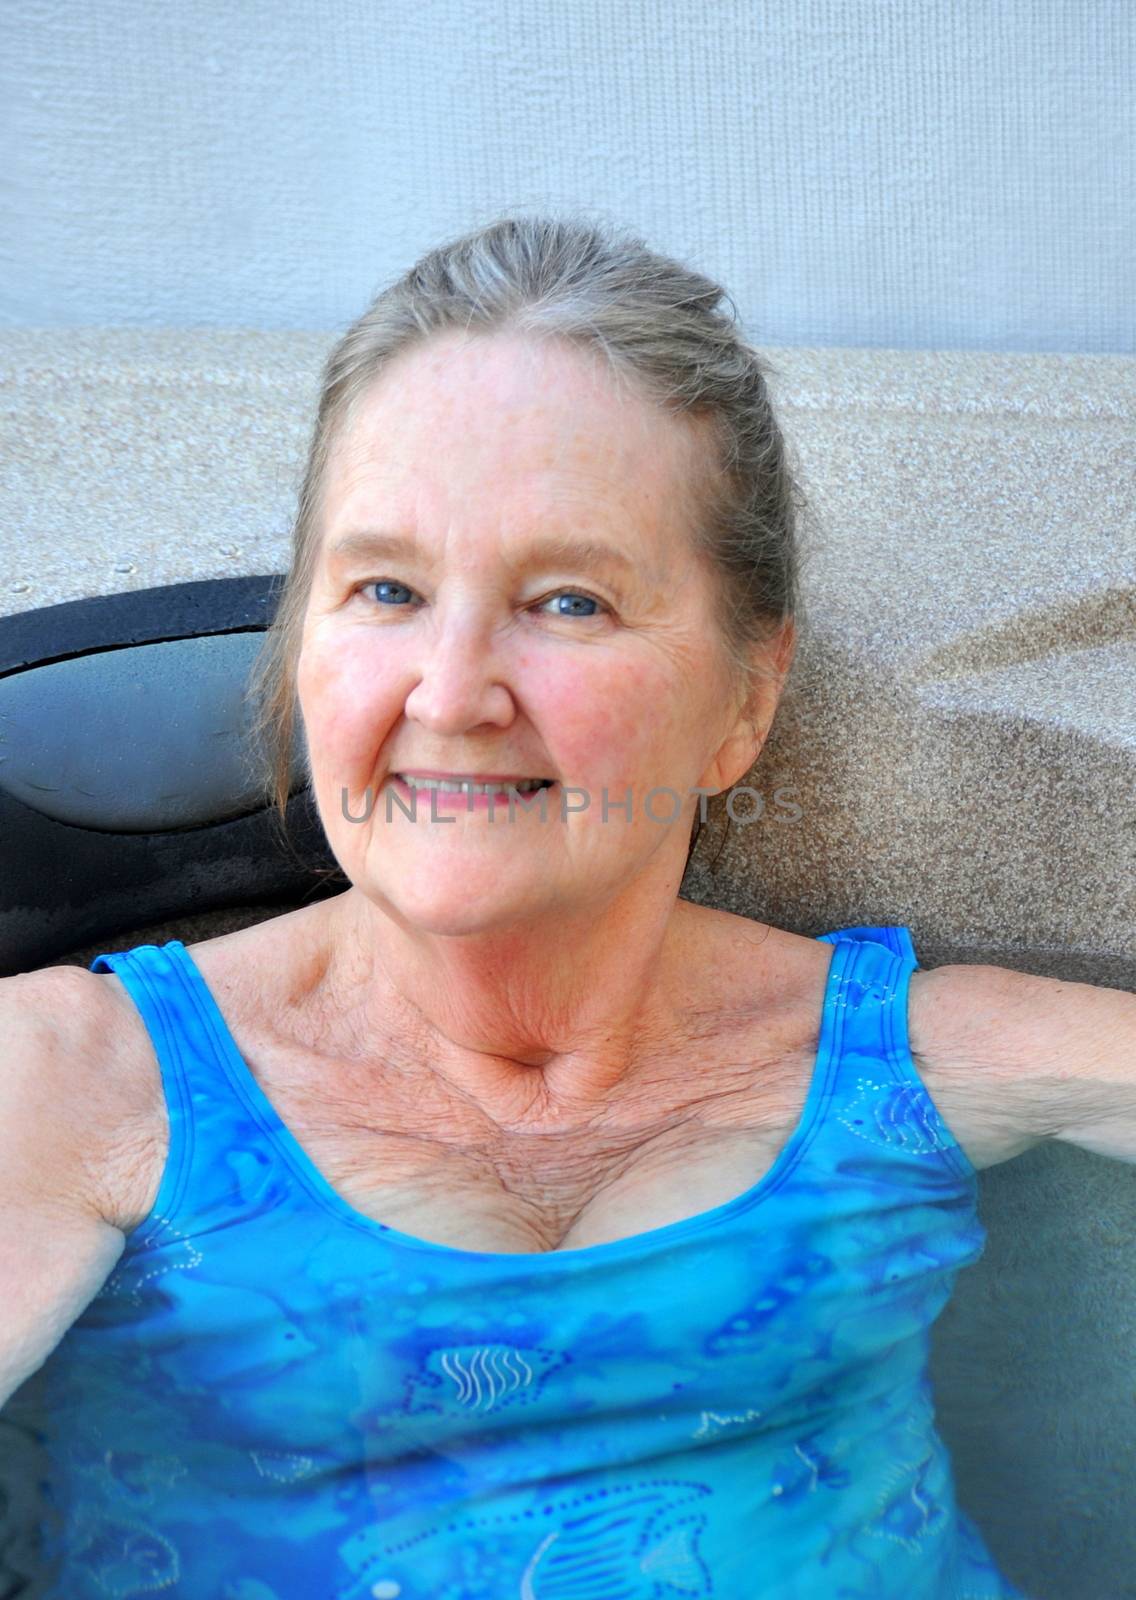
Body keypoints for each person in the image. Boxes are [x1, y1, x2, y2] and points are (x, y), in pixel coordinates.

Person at [1, 215, 1132, 1600]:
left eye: (570, 602)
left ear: (744, 701)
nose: (454, 690)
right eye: (387, 589)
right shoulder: (79, 1085)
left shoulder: (902, 1057)